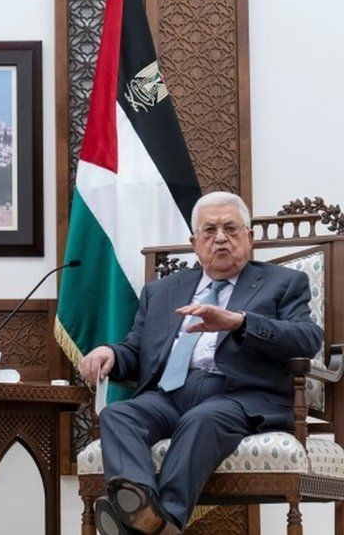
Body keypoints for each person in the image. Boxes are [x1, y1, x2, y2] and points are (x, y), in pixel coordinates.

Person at [79, 191, 322, 535]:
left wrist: (239, 322)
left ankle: (167, 522)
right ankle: (143, 511)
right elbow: (138, 350)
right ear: (194, 243)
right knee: (119, 414)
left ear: (249, 238)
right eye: (209, 231)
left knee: (201, 419)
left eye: (231, 229)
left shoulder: (283, 283)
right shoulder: (161, 291)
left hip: (237, 396)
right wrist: (111, 354)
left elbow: (307, 339)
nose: (220, 238)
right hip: (169, 395)